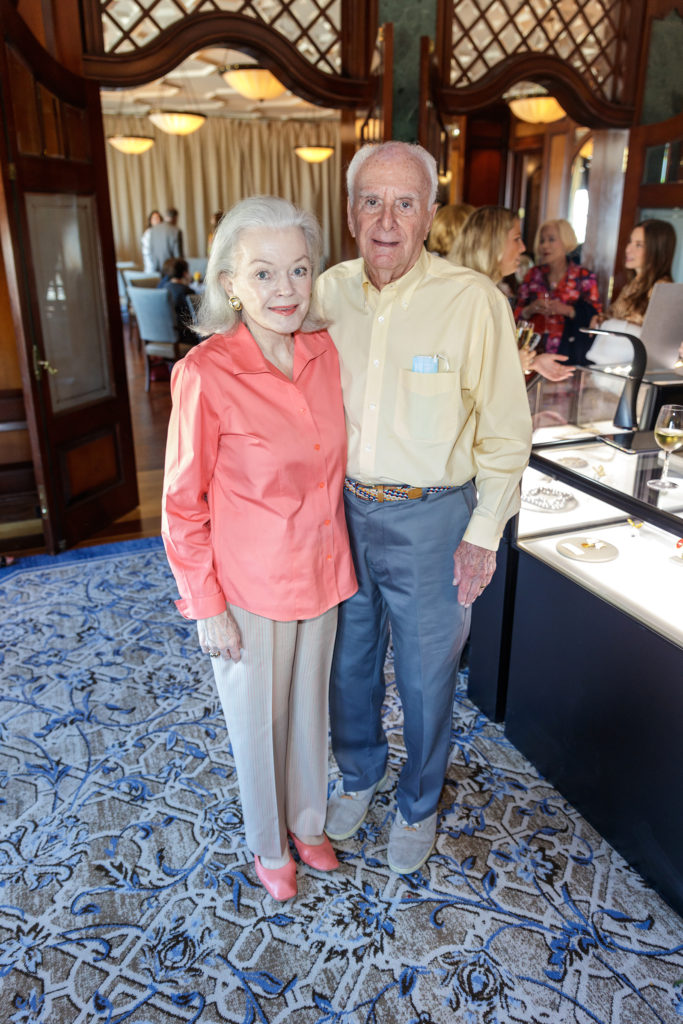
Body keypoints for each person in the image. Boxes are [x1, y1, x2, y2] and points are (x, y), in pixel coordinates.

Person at [314, 142, 532, 875]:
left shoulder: (474, 303)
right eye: (371, 201)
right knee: (347, 667)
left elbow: (507, 432)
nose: (386, 218)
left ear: (430, 216)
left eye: (404, 202)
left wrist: (481, 535)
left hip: (434, 519)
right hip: (342, 512)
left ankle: (416, 802)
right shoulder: (324, 294)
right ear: (349, 215)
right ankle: (358, 773)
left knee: (424, 675)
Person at [161, 196, 357, 901]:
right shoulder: (205, 374)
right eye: (265, 273)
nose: (286, 290)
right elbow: (182, 505)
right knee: (258, 726)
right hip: (249, 587)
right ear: (229, 284)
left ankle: (307, 823)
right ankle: (268, 845)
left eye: (299, 270)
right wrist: (206, 607)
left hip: (324, 571)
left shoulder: (323, 351)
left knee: (309, 715)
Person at [454, 206, 574, 382]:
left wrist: (532, 362)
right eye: (517, 239)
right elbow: (460, 366)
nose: (523, 248)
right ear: (493, 243)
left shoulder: (484, 290)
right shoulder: (473, 294)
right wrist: (516, 362)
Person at [587, 219, 676, 365]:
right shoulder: (632, 285)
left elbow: (660, 341)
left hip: (633, 371)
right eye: (630, 242)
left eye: (639, 245)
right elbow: (614, 314)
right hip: (609, 369)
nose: (628, 249)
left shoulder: (663, 289)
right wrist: (600, 319)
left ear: (658, 249)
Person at [514, 218, 602, 365]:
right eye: (542, 241)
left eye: (551, 239)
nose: (545, 246)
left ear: (566, 241)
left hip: (570, 354)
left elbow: (596, 319)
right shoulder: (532, 275)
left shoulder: (584, 277)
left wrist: (567, 310)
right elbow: (514, 314)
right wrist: (530, 309)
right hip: (532, 354)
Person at [147, 207, 183, 272]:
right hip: (172, 271)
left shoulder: (153, 230)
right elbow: (178, 255)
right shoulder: (176, 231)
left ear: (166, 216)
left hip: (157, 270)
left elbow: (151, 250)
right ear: (175, 218)